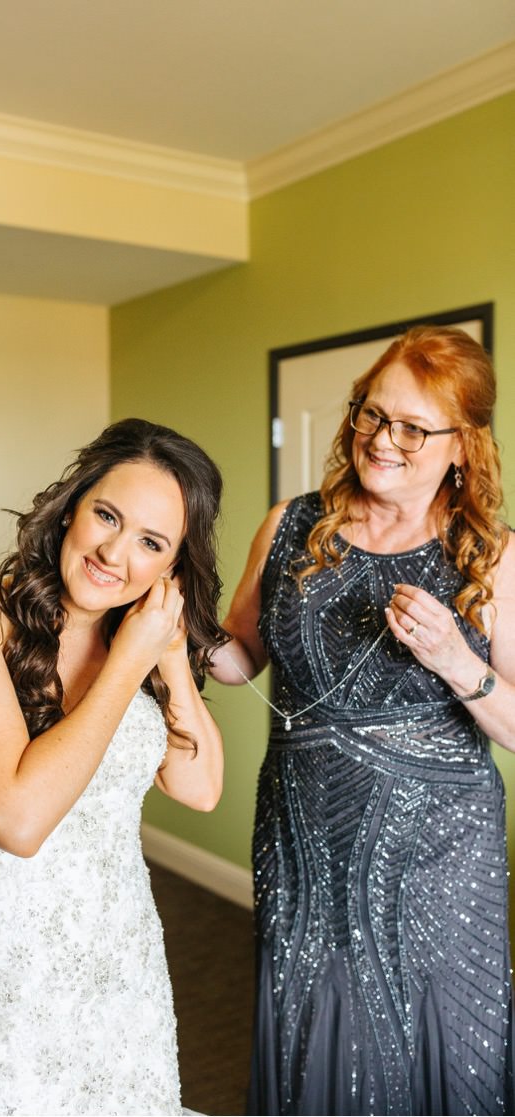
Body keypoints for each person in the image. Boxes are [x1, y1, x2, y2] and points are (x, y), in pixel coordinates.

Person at [211, 325, 515, 1114]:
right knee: (314, 1029)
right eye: (371, 415)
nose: (383, 440)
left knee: (436, 1038)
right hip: (303, 837)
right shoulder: (289, 526)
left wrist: (457, 659)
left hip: (439, 859)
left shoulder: (489, 557)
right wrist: (169, 619)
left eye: (414, 427)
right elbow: (241, 655)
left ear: (463, 445)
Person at [0, 418, 227, 1115]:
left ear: (171, 567)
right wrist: (130, 661)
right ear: (72, 505)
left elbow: (198, 788)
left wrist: (168, 656)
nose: (115, 551)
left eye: (151, 543)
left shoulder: (136, 646)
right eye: (107, 515)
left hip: (122, 970)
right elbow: (18, 819)